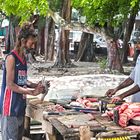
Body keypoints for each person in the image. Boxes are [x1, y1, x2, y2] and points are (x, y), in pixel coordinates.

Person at [0, 22, 45, 140]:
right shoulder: (11, 58)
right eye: (31, 43)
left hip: (20, 107)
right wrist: (31, 92)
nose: (33, 47)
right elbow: (10, 85)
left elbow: (23, 80)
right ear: (23, 40)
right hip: (10, 108)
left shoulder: (23, 59)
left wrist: (36, 85)